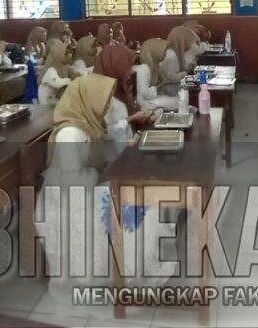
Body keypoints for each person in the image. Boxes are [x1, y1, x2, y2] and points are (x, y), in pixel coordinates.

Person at [37, 74, 172, 307]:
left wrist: (113, 163)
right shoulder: (70, 133)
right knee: (133, 204)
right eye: (104, 100)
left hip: (84, 190)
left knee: (139, 195)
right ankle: (127, 270)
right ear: (87, 99)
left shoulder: (86, 123)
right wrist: (105, 173)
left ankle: (136, 264)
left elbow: (103, 145)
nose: (107, 105)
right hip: (68, 202)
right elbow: (74, 181)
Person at [95, 45, 155, 146]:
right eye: (127, 66)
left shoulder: (119, 86)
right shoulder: (99, 94)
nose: (131, 71)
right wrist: (132, 118)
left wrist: (142, 117)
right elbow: (104, 133)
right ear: (115, 65)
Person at [134, 39, 180, 111]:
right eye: (164, 51)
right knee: (178, 101)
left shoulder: (154, 66)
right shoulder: (144, 68)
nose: (165, 54)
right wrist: (163, 83)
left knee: (179, 98)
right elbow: (145, 95)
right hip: (145, 103)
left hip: (150, 99)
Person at [158, 26, 204, 96]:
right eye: (189, 42)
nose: (190, 46)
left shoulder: (176, 52)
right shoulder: (171, 55)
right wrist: (185, 72)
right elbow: (173, 78)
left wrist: (189, 67)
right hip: (169, 94)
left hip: (174, 90)